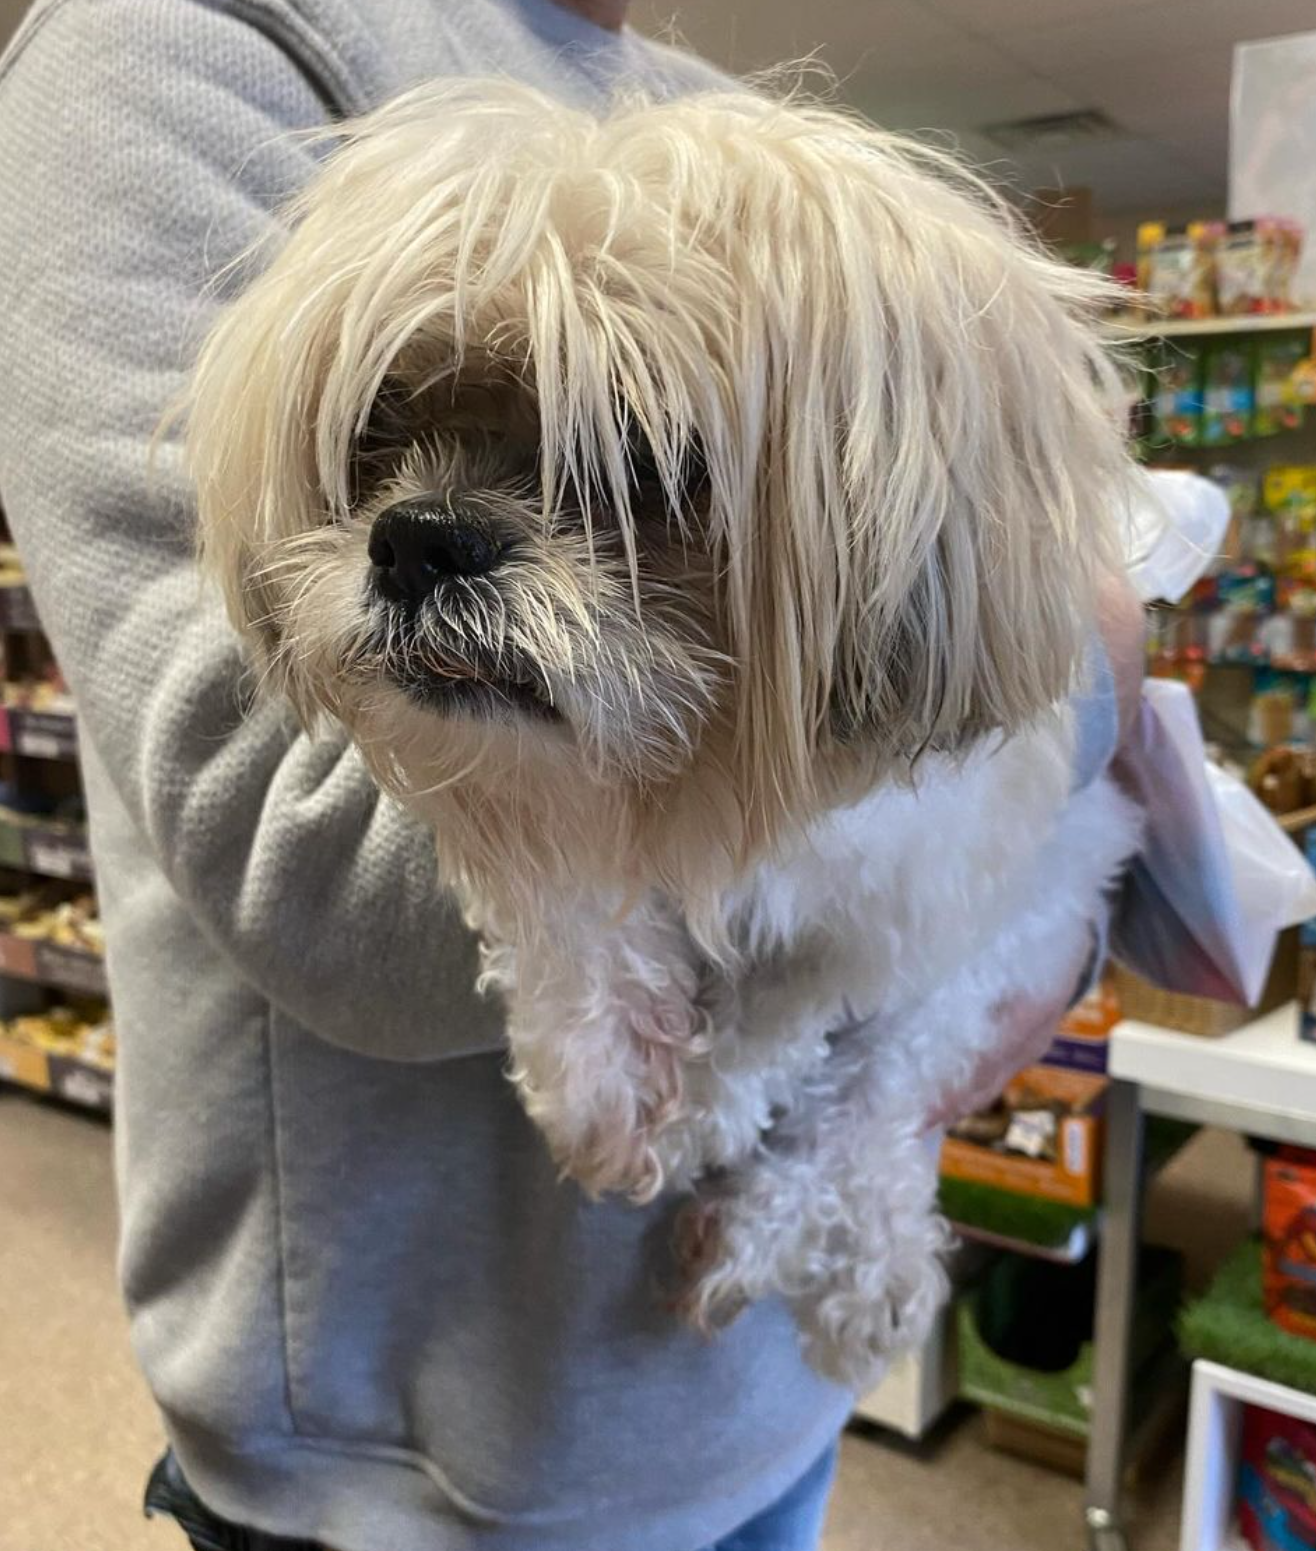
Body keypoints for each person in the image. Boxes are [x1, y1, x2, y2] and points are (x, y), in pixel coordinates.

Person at [0, 3, 1131, 1548]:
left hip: (743, 1403)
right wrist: (1090, 678)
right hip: (407, 1463)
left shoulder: (744, 138)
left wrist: (1061, 704)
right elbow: (295, 841)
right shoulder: (180, 49)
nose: (429, 522)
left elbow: (960, 706)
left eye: (637, 473)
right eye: (378, 440)